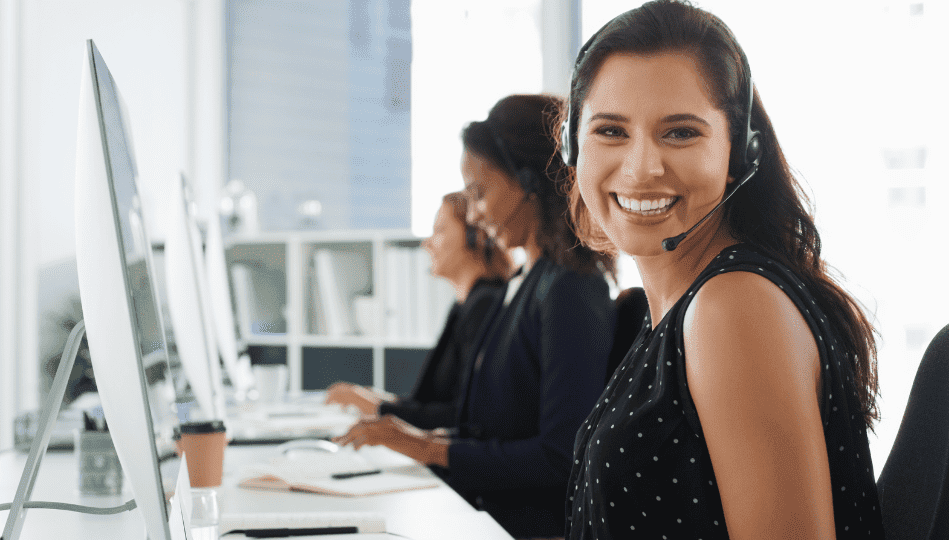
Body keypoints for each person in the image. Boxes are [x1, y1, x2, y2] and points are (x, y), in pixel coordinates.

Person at [560, 2, 884, 538]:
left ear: (739, 152)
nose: (642, 168)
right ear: (575, 146)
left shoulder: (731, 308)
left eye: (681, 132)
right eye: (611, 131)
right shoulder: (679, 309)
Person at [334, 94, 617, 539]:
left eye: (479, 193)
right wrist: (416, 437)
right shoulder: (524, 282)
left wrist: (426, 447)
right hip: (481, 514)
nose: (476, 213)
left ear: (527, 183)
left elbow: (561, 455)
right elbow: (488, 428)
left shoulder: (570, 290)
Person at [324, 191, 511, 429]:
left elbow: (463, 416)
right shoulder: (465, 305)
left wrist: (377, 406)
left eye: (439, 230)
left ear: (475, 235)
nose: (427, 243)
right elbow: (429, 402)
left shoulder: (484, 306)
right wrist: (372, 398)